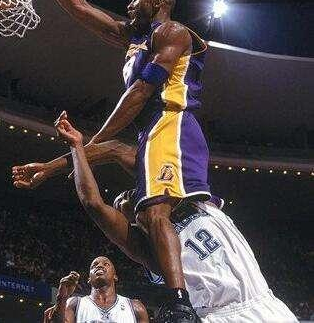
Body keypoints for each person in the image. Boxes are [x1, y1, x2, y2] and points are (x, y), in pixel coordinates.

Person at [18, 113, 297, 323]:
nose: (127, 196)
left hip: (267, 305)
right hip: (218, 316)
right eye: (121, 202)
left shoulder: (190, 198)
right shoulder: (150, 252)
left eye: (131, 192)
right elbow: (93, 204)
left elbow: (116, 149)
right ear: (131, 220)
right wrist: (76, 147)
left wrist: (51, 166)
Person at [47, 0, 211, 320]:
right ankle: (182, 288)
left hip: (171, 120)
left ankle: (179, 303)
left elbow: (140, 91)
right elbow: (81, 8)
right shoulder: (136, 39)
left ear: (156, 2)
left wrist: (96, 138)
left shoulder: (172, 32)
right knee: (142, 209)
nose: (129, 5)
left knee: (154, 211)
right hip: (151, 129)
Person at [43, 257, 149, 323]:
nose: (100, 266)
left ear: (115, 276)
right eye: (94, 265)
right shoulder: (74, 303)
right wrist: (62, 298)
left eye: (106, 264)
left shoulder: (135, 307)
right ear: (89, 279)